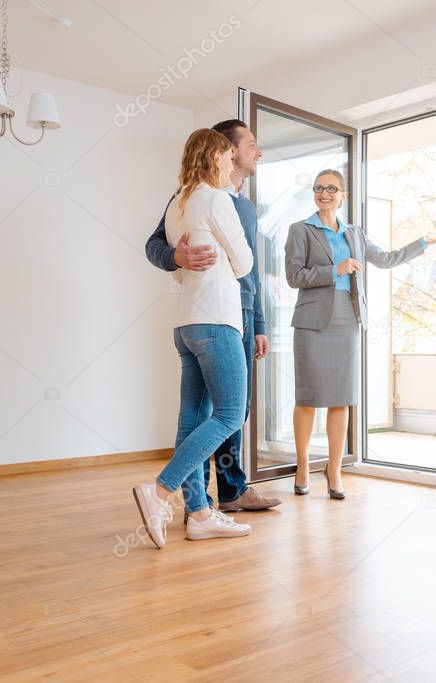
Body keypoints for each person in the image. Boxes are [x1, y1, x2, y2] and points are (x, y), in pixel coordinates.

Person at [144, 119, 280, 516]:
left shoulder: (235, 204)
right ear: (228, 151)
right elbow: (155, 245)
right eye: (251, 144)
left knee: (210, 412)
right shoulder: (200, 198)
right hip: (218, 313)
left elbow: (253, 274)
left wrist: (259, 324)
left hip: (220, 316)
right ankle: (175, 493)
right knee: (228, 412)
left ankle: (215, 499)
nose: (258, 151)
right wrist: (174, 257)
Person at [284, 169, 436, 498]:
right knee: (308, 398)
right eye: (319, 188)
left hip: (347, 317)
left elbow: (386, 259)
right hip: (312, 321)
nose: (324, 193)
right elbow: (293, 276)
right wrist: (335, 270)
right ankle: (302, 465)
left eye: (332, 188)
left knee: (341, 398)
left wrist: (423, 243)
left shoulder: (354, 234)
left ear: (343, 195)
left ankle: (333, 469)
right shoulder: (299, 230)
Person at [133, 128, 256, 547]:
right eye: (226, 156)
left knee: (193, 417)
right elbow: (244, 262)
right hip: (218, 319)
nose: (229, 163)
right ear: (216, 157)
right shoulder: (216, 198)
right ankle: (161, 490)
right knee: (228, 414)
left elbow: (169, 252)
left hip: (186, 324)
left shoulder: (179, 203)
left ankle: (200, 513)